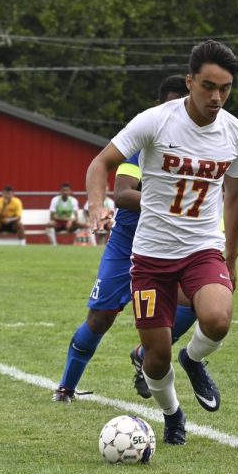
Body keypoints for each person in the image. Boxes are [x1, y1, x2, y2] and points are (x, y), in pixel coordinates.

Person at [85, 39, 238, 445]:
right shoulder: (155, 121)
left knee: (217, 318)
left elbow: (236, 193)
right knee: (154, 358)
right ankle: (172, 413)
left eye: (225, 88)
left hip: (201, 249)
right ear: (190, 81)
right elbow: (100, 163)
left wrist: (231, 255)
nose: (216, 97)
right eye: (208, 86)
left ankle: (193, 360)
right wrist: (94, 207)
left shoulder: (236, 134)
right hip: (151, 258)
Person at [52, 75, 197, 403]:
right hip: (129, 244)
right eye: (174, 104)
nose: (181, 112)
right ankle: (66, 387)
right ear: (159, 106)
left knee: (196, 301)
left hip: (171, 245)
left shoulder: (197, 148)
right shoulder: (143, 146)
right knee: (101, 317)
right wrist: (169, 204)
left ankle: (145, 354)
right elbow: (123, 194)